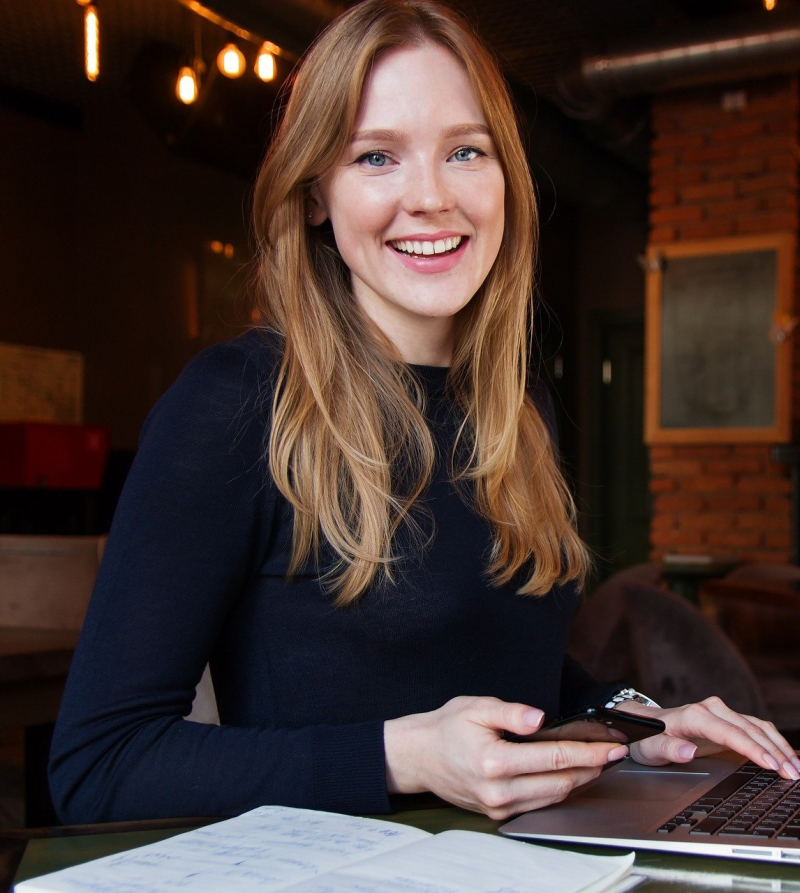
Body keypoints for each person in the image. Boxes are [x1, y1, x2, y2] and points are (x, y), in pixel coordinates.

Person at [49, 0, 799, 824]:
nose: (431, 197)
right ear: (312, 195)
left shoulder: (517, 405)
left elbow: (516, 678)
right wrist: (401, 757)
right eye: (376, 157)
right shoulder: (231, 404)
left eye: (465, 151)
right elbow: (99, 763)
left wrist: (637, 717)